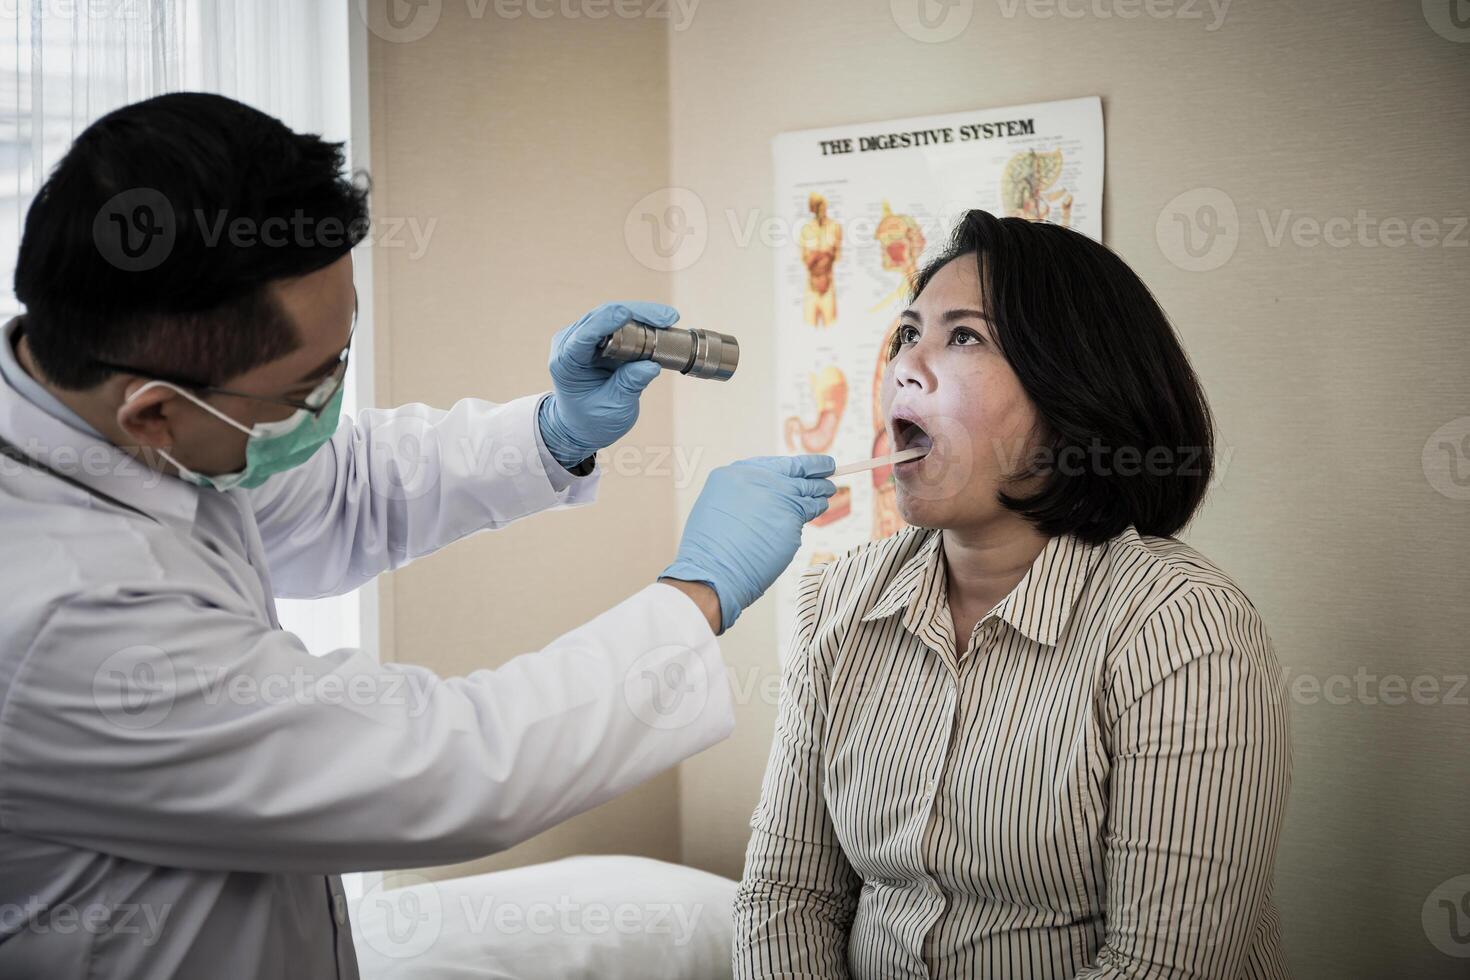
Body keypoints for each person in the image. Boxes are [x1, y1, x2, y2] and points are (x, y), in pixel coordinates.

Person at [0, 92, 835, 978]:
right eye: (311, 387)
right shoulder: (61, 615)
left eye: (344, 350)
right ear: (157, 414)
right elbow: (454, 766)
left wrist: (553, 432)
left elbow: (343, 490)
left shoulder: (125, 431)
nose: (329, 403)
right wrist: (696, 594)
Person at [733, 210, 1292, 979]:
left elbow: (1162, 969)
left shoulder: (1180, 626)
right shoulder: (839, 599)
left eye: (963, 337)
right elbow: (786, 895)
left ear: (1072, 398)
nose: (904, 365)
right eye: (907, 334)